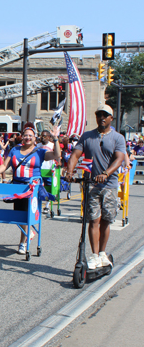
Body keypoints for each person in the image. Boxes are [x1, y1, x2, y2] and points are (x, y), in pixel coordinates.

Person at [66, 105, 126, 269]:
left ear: (111, 118)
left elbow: (119, 159)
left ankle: (102, 253)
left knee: (106, 221)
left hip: (110, 185)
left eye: (105, 115)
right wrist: (70, 171)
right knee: (93, 220)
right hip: (91, 185)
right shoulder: (87, 136)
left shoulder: (117, 138)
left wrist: (106, 173)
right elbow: (75, 155)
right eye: (99, 115)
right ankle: (94, 255)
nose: (101, 118)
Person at [0, 122, 61, 254]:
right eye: (25, 135)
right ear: (22, 137)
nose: (27, 138)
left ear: (35, 138)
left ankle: (22, 242)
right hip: (17, 187)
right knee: (19, 216)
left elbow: (56, 155)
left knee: (27, 215)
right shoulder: (14, 150)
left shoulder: (40, 151)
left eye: (30, 136)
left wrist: (55, 139)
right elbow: (5, 166)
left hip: (32, 188)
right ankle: (29, 232)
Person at [38, 130, 55, 214]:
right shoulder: (37, 146)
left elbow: (58, 156)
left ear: (49, 137)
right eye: (42, 136)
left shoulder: (52, 145)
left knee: (48, 188)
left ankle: (47, 205)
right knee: (39, 188)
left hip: (48, 170)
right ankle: (37, 205)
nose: (43, 138)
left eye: (45, 136)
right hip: (39, 170)